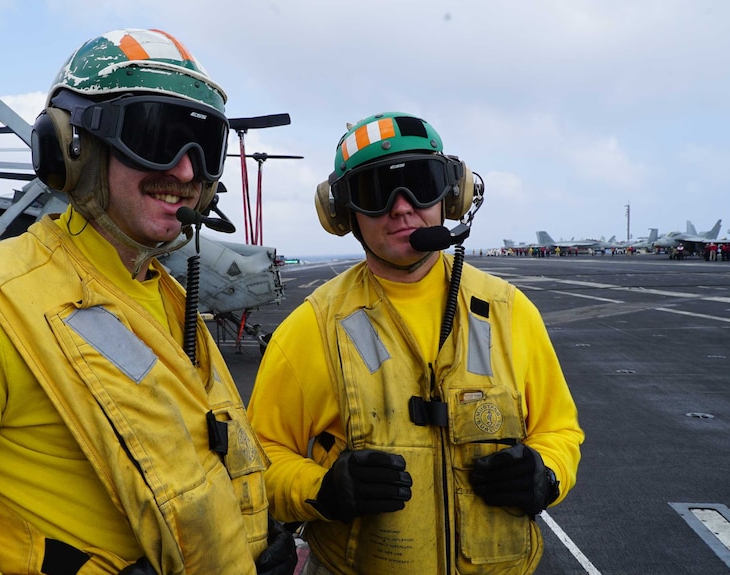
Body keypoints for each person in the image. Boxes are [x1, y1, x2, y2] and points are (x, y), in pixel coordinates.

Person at [0, 28, 296, 575]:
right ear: (71, 148)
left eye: (204, 145)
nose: (187, 171)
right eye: (154, 136)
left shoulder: (166, 296)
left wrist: (250, 535)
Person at [247, 112, 584, 574]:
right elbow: (258, 457)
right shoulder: (313, 326)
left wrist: (546, 474)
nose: (402, 207)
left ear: (451, 195)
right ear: (343, 213)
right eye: (375, 191)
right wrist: (322, 489)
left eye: (420, 183)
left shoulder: (510, 311)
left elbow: (560, 430)